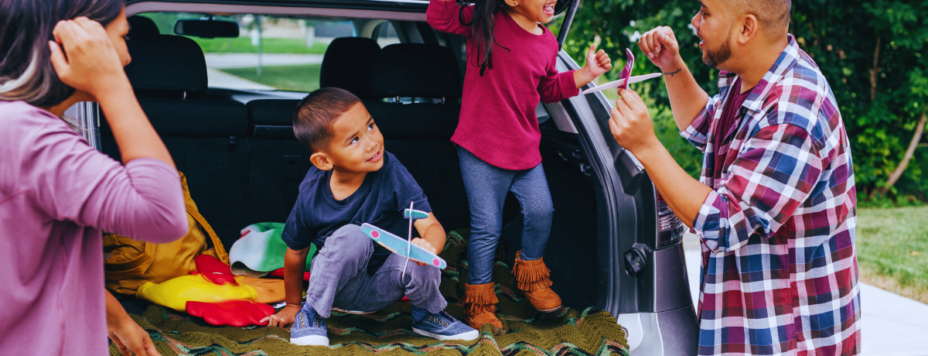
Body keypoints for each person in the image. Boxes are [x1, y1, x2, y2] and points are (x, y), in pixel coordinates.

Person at [607, 0, 860, 354]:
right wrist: (672, 67)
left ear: (746, 29)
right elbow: (710, 129)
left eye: (705, 12)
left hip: (786, 339)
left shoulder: (794, 112)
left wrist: (646, 147)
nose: (695, 21)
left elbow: (723, 223)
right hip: (749, 325)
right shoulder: (750, 77)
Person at [0, 1, 189, 356]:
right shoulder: (29, 136)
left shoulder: (14, 126)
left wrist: (114, 317)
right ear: (78, 43)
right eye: (122, 38)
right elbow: (163, 216)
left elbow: (34, 257)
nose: (128, 58)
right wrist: (113, 86)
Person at [426, 0, 612, 331]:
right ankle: (479, 301)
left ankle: (530, 276)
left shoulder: (547, 41)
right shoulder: (487, 22)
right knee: (488, 228)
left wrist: (587, 74)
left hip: (524, 148)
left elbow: (548, 88)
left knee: (542, 212)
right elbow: (440, 16)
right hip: (479, 147)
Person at [262, 88, 478, 346]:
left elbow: (430, 224)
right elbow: (296, 253)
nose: (372, 142)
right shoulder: (311, 193)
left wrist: (429, 246)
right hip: (336, 290)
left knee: (419, 254)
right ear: (323, 161)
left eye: (371, 126)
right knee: (354, 235)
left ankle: (426, 314)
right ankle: (312, 314)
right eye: (354, 140)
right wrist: (293, 304)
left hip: (385, 285)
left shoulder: (391, 171)